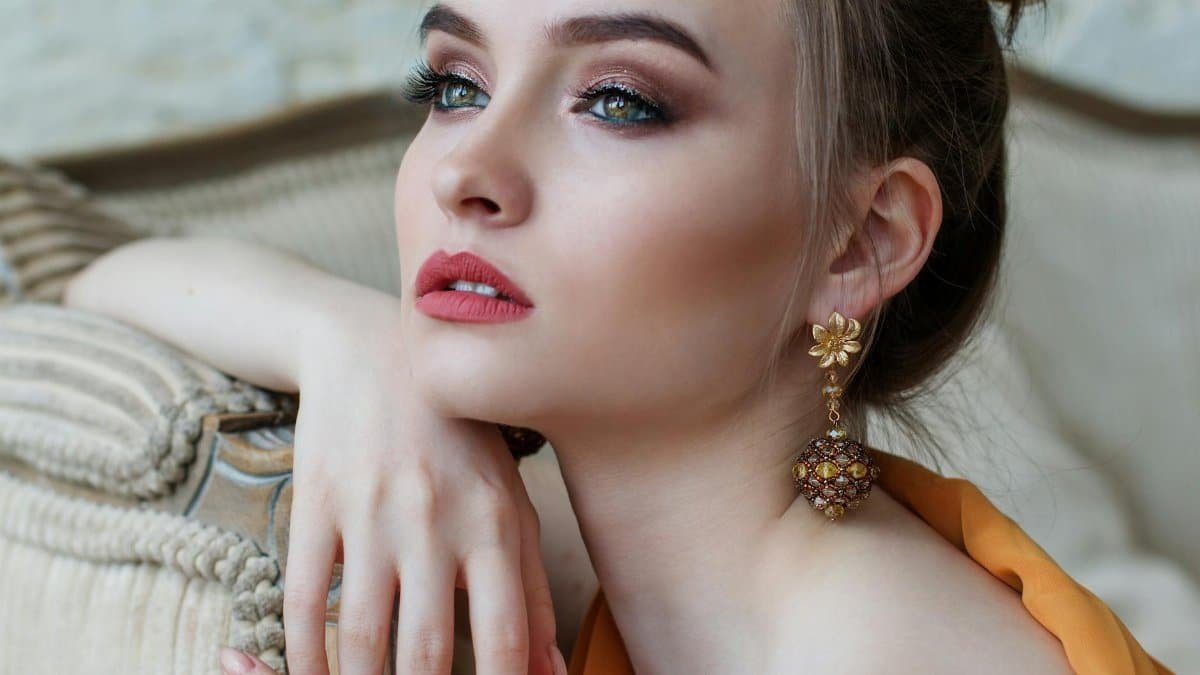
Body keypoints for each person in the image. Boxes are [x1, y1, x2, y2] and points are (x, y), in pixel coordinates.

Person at [62, 0, 1175, 673]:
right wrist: (350, 346)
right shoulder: (573, 548)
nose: (464, 170)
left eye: (621, 102)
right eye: (453, 83)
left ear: (860, 243)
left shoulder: (882, 645)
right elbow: (80, 282)